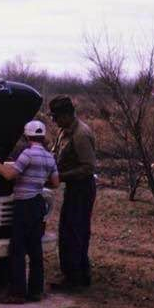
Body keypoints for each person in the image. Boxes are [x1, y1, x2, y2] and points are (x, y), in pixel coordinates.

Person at [0, 120, 59, 304]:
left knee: (17, 249)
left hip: (24, 205)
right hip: (38, 204)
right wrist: (37, 182)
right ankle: (36, 291)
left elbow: (9, 175)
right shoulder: (49, 157)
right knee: (35, 249)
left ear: (26, 136)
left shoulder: (27, 154)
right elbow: (55, 183)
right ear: (43, 136)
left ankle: (17, 293)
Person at [48, 95, 97, 289]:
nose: (54, 121)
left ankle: (76, 277)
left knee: (75, 232)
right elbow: (56, 155)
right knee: (68, 230)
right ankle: (74, 274)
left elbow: (88, 167)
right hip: (73, 186)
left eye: (56, 116)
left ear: (67, 115)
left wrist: (61, 177)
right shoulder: (64, 132)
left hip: (82, 188)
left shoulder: (81, 134)